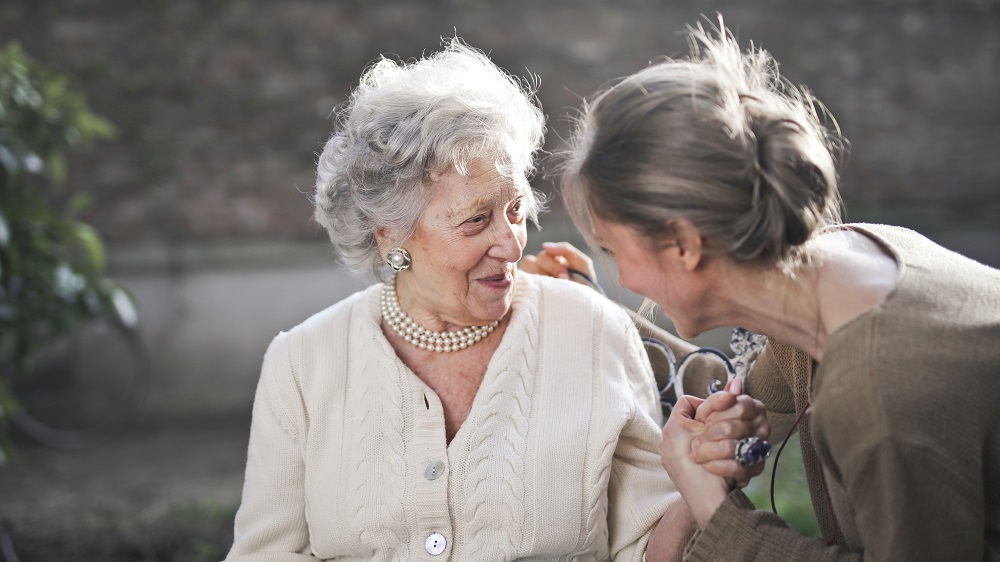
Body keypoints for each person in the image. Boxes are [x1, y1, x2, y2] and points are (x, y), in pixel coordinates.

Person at [225, 39, 750, 561]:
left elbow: (647, 549)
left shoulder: (590, 330)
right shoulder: (301, 362)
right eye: (476, 219)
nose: (512, 242)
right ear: (389, 234)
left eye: (516, 209)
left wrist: (700, 479)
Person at [549, 18, 1000, 562]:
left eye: (615, 252)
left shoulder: (881, 399)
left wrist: (716, 512)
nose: (626, 280)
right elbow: (734, 390)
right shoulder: (849, 262)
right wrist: (583, 303)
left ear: (685, 246)